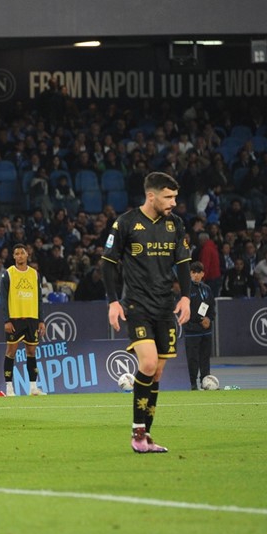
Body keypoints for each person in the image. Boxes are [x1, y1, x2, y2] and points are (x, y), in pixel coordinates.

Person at [102, 172, 191, 453]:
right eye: (168, 197)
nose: (174, 202)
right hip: (137, 305)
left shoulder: (175, 224)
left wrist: (186, 297)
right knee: (149, 363)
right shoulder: (126, 223)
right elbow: (107, 263)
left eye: (175, 197)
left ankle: (146, 436)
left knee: (157, 373)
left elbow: (184, 263)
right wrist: (113, 301)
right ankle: (137, 433)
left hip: (165, 307)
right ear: (151, 196)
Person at [0, 244, 47, 396]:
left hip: (32, 318)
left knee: (31, 351)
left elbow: (39, 298)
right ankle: (9, 388)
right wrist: (6, 320)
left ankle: (33, 388)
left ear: (27, 255)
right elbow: (3, 298)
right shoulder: (8, 274)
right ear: (14, 256)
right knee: (11, 351)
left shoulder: (34, 274)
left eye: (22, 253)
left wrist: (41, 320)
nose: (20, 256)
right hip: (15, 318)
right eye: (17, 253)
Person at [183, 261, 215, 391]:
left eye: (199, 272)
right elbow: (186, 310)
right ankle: (192, 383)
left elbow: (212, 307)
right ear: (190, 274)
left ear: (203, 274)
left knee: (205, 358)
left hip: (206, 330)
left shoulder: (207, 289)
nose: (196, 275)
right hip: (192, 330)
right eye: (193, 272)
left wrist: (209, 319)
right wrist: (199, 320)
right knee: (192, 359)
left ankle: (205, 382)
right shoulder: (186, 289)